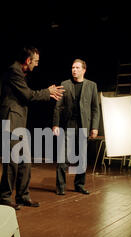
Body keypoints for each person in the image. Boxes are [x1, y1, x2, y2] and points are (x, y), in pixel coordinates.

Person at [0, 46, 64, 210]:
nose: (37, 64)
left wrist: (47, 93)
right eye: (36, 61)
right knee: (12, 162)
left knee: (25, 161)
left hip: (19, 122)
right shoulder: (13, 71)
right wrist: (47, 92)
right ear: (28, 60)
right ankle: (5, 197)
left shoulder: (20, 73)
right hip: (11, 121)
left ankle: (22, 196)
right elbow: (28, 95)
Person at [52, 59, 100, 195]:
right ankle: (60, 187)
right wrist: (55, 124)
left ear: (84, 70)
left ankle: (79, 185)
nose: (74, 70)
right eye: (73, 67)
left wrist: (94, 127)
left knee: (82, 158)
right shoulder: (65, 84)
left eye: (77, 68)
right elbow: (58, 107)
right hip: (68, 125)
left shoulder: (92, 85)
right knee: (63, 157)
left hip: (84, 126)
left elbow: (95, 109)